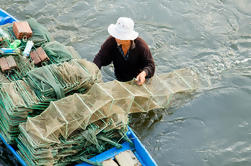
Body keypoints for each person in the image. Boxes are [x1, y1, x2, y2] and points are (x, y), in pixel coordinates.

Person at [93, 17, 155, 85]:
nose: (116, 37)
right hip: (119, 78)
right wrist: (93, 71)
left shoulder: (141, 46)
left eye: (120, 36)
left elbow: (151, 65)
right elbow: (100, 58)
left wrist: (144, 73)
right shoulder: (111, 41)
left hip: (137, 80)